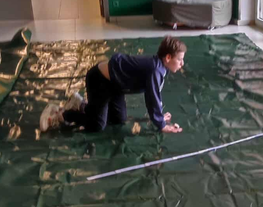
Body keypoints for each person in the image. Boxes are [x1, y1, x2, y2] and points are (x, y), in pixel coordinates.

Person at [39, 36, 186, 134]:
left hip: (116, 85)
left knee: (118, 119)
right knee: (97, 125)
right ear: (168, 57)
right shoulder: (155, 70)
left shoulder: (160, 67)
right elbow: (152, 98)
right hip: (100, 80)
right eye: (179, 59)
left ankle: (80, 104)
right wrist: (161, 125)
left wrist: (159, 117)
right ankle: (61, 114)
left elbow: (155, 94)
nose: (182, 63)